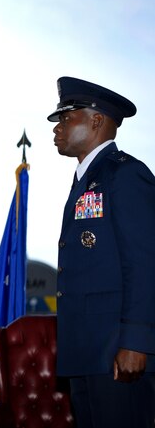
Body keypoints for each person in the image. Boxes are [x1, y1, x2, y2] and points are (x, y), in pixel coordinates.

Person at [47, 76, 155, 427]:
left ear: (96, 120)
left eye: (66, 118)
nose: (57, 128)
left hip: (116, 353)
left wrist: (136, 342)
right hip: (87, 351)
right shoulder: (86, 180)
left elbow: (144, 263)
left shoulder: (124, 174)